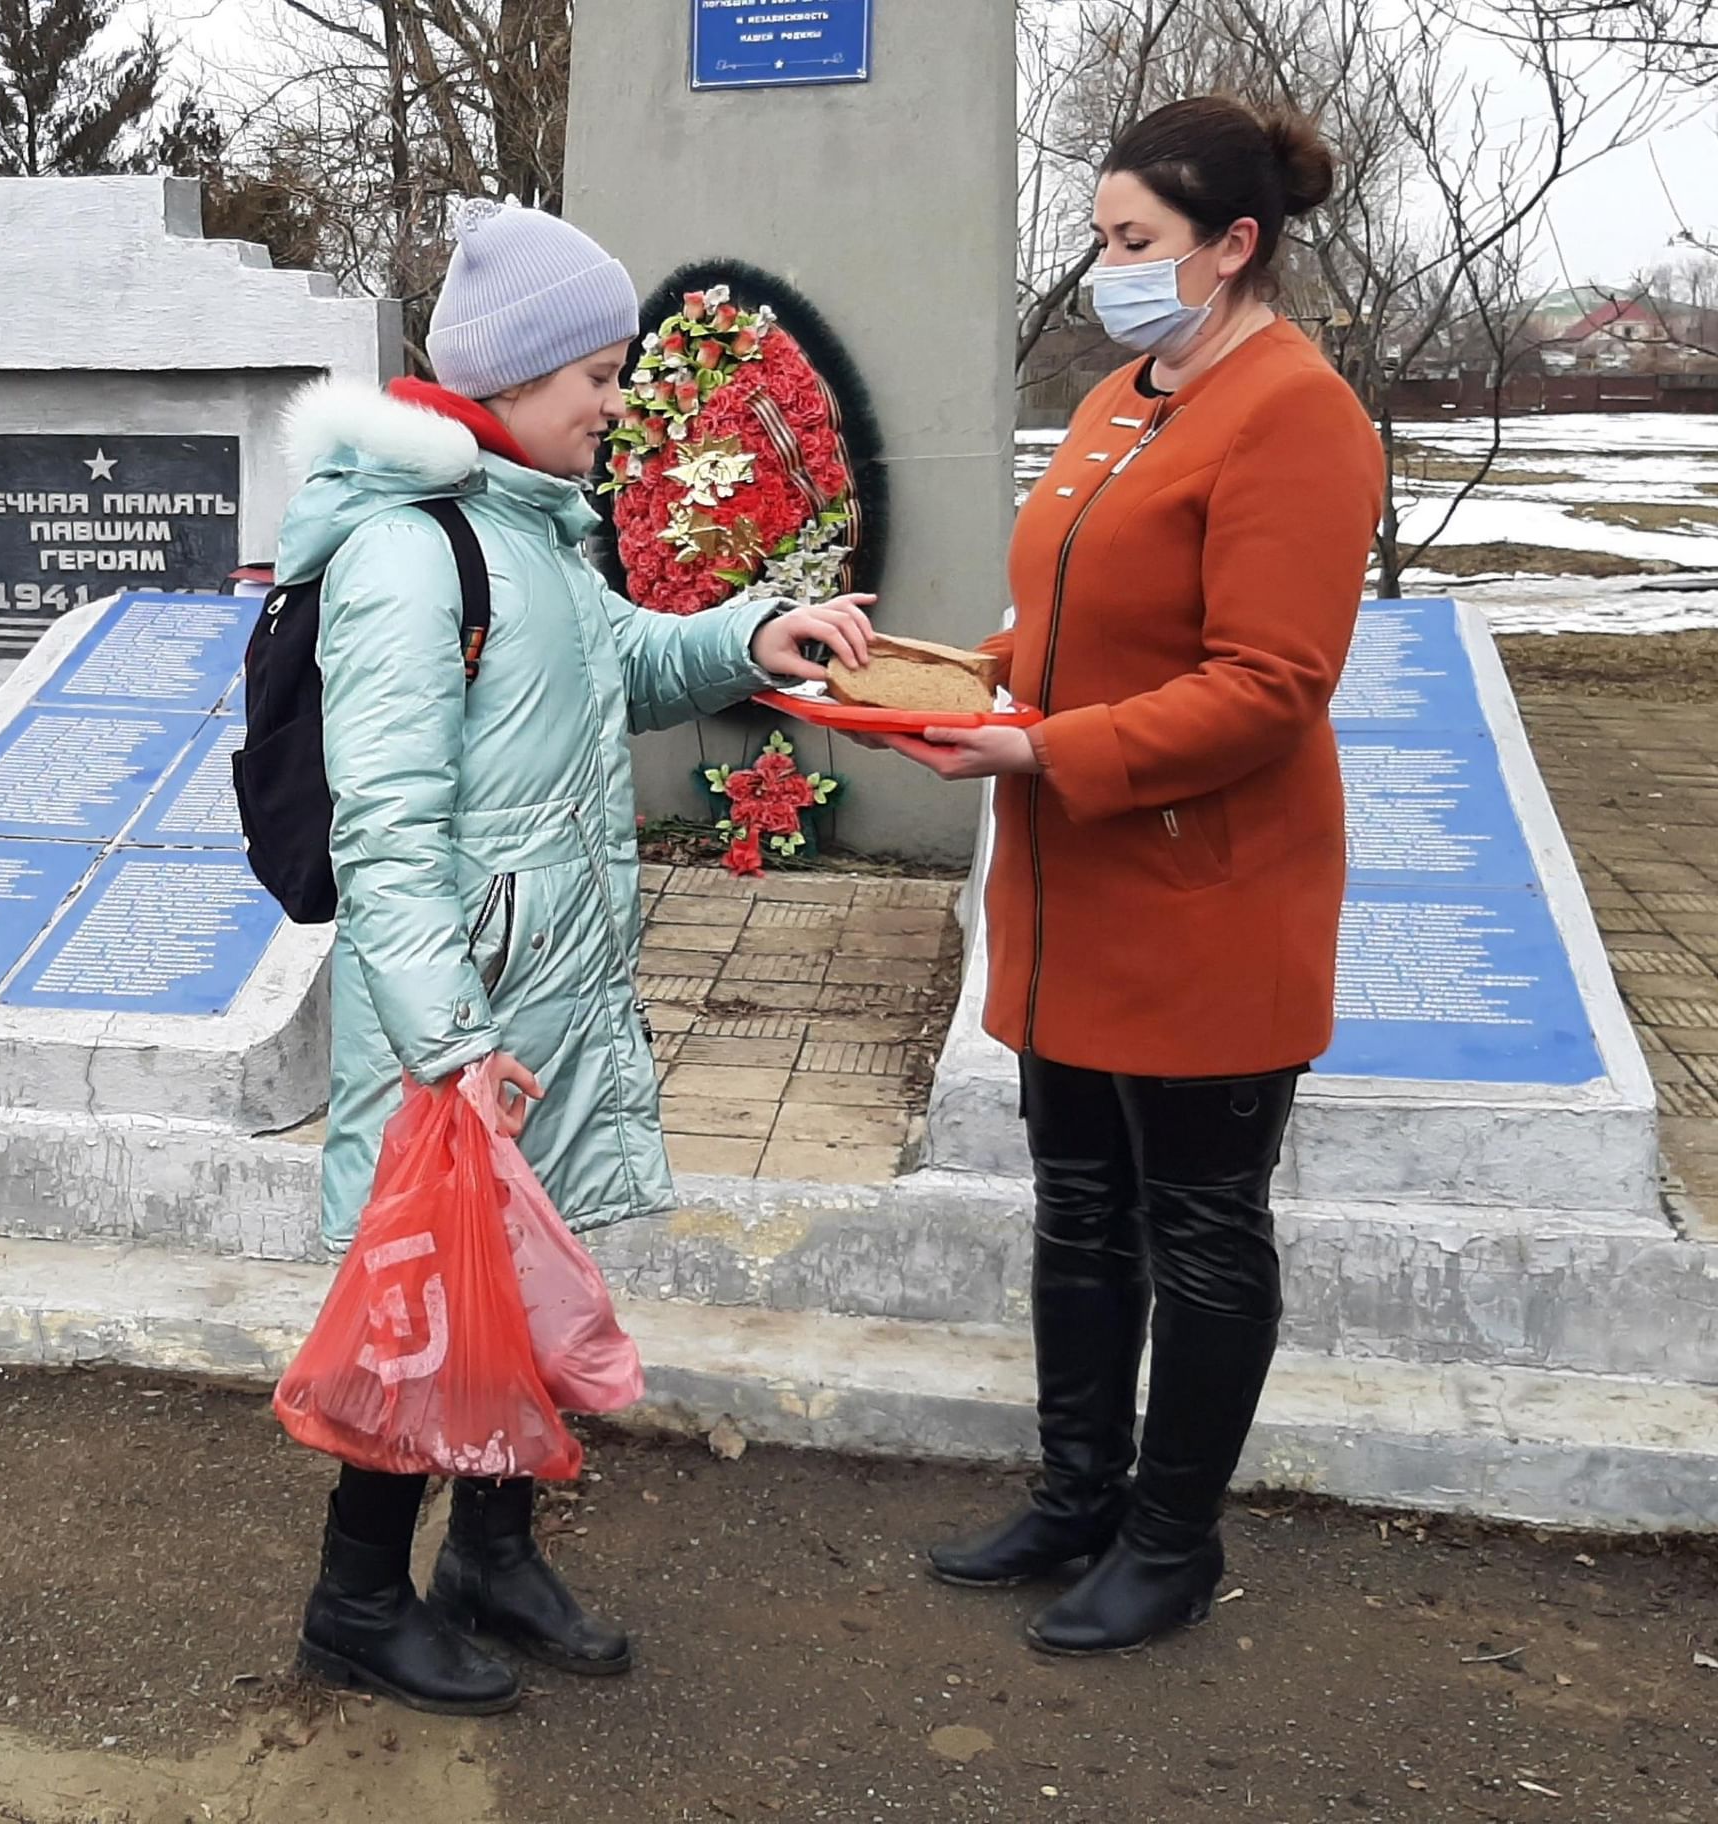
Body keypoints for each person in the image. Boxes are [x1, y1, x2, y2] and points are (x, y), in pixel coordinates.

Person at [273, 199, 874, 1715]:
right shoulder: (412, 556)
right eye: (597, 376)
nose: (618, 407)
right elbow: (389, 832)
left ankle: (491, 1555)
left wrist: (756, 636)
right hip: (464, 1014)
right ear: (511, 374)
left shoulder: (527, 530)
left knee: (523, 1288)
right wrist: (448, 1043)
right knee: (419, 1312)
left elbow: (623, 664)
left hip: (545, 990)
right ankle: (355, 1599)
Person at [881, 98, 1384, 1654]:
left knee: (1203, 1228)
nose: (1109, 270)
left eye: (1137, 244)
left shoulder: (1298, 416)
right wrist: (952, 678)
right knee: (1080, 1208)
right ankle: (1076, 1495)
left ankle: (1172, 1545)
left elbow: (1268, 683)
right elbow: (1074, 624)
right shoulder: (1124, 398)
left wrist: (1044, 753)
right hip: (1074, 897)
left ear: (1236, 247)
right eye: (1102, 241)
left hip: (1204, 901)